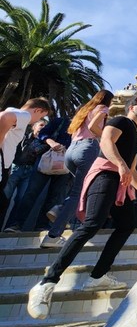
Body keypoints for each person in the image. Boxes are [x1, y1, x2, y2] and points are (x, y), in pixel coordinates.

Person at [26, 94, 137, 320]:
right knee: (91, 225)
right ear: (132, 107)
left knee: (127, 224)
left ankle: (98, 275)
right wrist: (121, 165)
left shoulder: (135, 135)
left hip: (120, 181)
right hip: (105, 175)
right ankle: (46, 283)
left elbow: (132, 168)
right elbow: (106, 141)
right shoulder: (120, 121)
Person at [40, 89, 114, 248]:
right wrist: (106, 138)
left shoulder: (83, 111)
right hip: (87, 148)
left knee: (80, 190)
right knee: (79, 193)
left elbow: (74, 132)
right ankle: (53, 235)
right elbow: (94, 127)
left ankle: (60, 210)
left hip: (72, 151)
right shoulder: (103, 108)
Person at [3, 114, 71, 234]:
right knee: (31, 193)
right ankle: (16, 225)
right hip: (46, 160)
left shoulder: (86, 129)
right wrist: (52, 143)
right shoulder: (61, 122)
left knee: (54, 197)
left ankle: (42, 226)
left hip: (65, 165)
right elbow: (43, 134)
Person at [0, 99, 52, 227]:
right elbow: (5, 118)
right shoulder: (24, 115)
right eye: (41, 116)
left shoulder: (11, 110)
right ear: (37, 110)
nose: (37, 120)